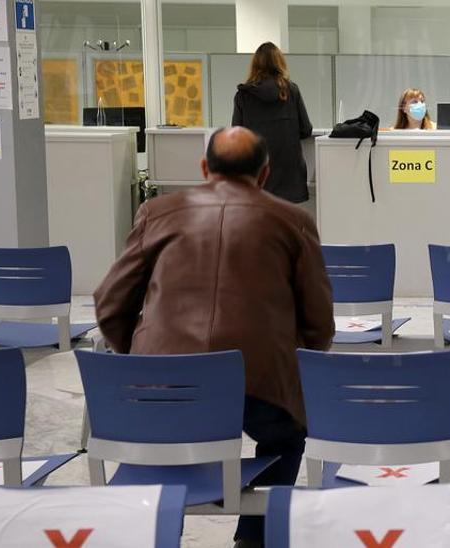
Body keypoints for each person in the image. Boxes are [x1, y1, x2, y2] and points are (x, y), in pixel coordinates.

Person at [93, 127, 335, 548]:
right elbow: (319, 322)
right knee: (288, 435)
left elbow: (110, 305)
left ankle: (162, 531)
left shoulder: (156, 213)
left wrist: (140, 362)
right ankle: (252, 538)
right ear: (264, 173)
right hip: (258, 385)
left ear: (204, 168)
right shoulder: (294, 220)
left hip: (165, 385)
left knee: (170, 435)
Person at [232, 42, 313, 204]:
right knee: (286, 224)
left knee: (260, 226)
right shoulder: (291, 91)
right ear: (280, 63)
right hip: (289, 177)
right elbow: (306, 129)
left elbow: (237, 136)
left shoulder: (243, 96)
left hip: (256, 175)